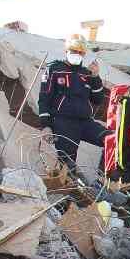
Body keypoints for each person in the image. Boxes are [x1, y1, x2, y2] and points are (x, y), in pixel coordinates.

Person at [38, 36, 107, 176]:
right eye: (74, 50)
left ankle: (104, 180)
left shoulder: (87, 73)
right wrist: (45, 125)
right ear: (66, 50)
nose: (77, 54)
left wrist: (95, 77)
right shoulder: (54, 69)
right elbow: (44, 98)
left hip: (85, 122)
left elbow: (98, 99)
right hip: (63, 123)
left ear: (84, 54)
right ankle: (72, 194)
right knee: (67, 165)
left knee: (110, 140)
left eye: (80, 52)